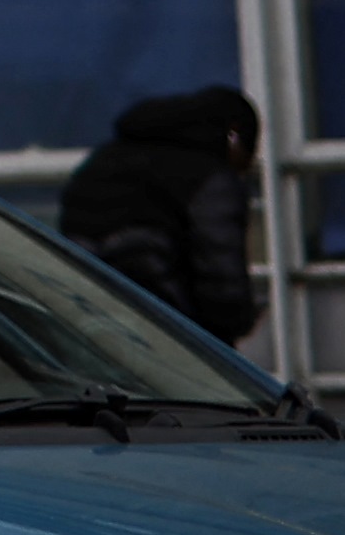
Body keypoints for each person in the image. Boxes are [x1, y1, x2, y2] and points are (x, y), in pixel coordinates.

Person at [57, 85, 266, 342]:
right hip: (169, 336)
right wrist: (237, 323)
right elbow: (221, 281)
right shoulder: (210, 178)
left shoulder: (103, 161)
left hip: (90, 327)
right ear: (234, 137)